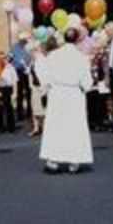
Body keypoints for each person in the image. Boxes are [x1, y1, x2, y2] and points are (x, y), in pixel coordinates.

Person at [37, 28, 94, 173]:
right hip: (74, 95)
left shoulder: (53, 55)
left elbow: (45, 75)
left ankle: (53, 161)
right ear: (76, 40)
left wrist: (47, 87)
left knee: (56, 126)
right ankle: (74, 161)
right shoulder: (81, 57)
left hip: (57, 94)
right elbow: (87, 83)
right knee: (74, 127)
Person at [11, 34, 33, 122]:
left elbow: (30, 57)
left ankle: (29, 111)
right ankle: (20, 113)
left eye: (26, 40)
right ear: (20, 40)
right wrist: (17, 63)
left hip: (26, 71)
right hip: (18, 71)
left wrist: (28, 63)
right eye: (24, 40)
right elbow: (11, 59)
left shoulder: (27, 47)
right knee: (20, 92)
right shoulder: (14, 48)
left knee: (28, 91)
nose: (25, 42)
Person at [0, 51, 17, 134]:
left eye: (4, 58)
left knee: (9, 108)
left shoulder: (10, 67)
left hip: (8, 89)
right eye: (0, 58)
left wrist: (15, 93)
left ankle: (11, 127)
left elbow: (15, 81)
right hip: (0, 89)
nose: (3, 59)